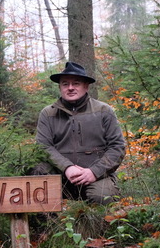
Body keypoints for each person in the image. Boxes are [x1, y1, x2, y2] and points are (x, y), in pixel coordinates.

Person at [35, 62, 126, 205]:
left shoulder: (104, 111)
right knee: (37, 171)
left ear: (86, 86)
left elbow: (117, 147)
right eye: (65, 84)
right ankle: (47, 224)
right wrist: (67, 167)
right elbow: (43, 146)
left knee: (103, 197)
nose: (70, 88)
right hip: (62, 176)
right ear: (60, 87)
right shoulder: (48, 114)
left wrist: (94, 172)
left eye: (76, 83)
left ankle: (95, 225)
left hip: (98, 176)